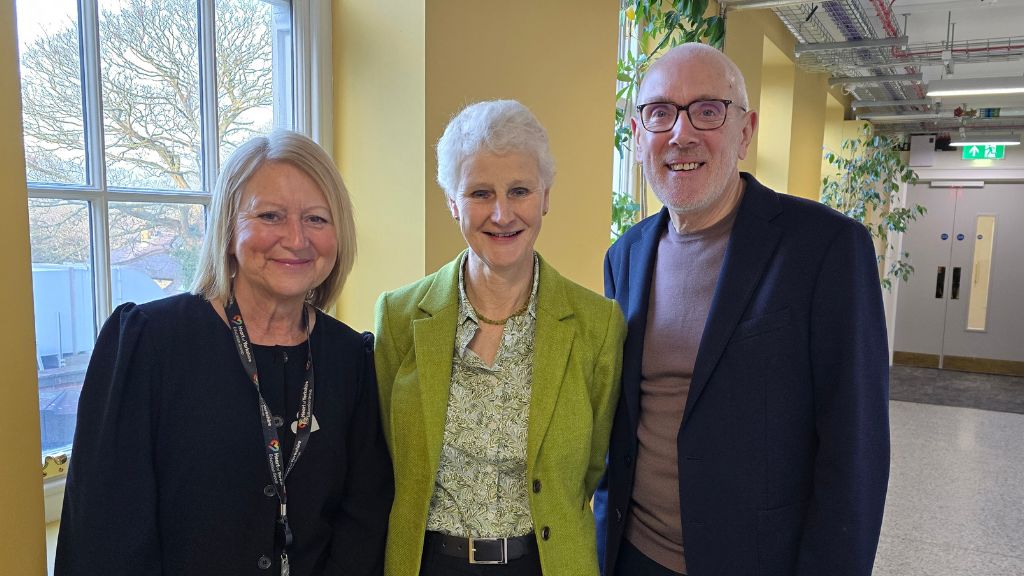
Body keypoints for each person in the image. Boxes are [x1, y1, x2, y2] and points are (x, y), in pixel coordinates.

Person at [595, 43, 890, 576]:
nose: (681, 134)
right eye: (659, 113)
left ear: (746, 131)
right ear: (638, 136)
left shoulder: (825, 249)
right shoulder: (625, 256)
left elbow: (856, 453)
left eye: (707, 110)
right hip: (633, 556)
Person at [55, 130, 393, 576]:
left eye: (316, 219)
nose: (296, 238)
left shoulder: (351, 358)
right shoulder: (149, 342)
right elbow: (106, 529)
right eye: (270, 215)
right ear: (229, 228)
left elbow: (362, 519)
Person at [374, 100, 626, 576]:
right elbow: (390, 461)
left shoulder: (598, 326)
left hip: (547, 564)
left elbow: (590, 469)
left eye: (520, 191)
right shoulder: (400, 317)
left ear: (546, 196)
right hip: (429, 565)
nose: (502, 213)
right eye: (479, 193)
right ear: (452, 202)